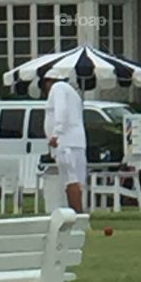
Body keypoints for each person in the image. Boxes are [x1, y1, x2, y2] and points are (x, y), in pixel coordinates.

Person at [44, 70, 87, 213]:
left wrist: (56, 134)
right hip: (77, 142)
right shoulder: (73, 93)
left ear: (50, 81)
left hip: (65, 142)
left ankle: (78, 217)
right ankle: (80, 216)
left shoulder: (58, 88)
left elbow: (60, 111)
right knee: (77, 181)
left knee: (70, 180)